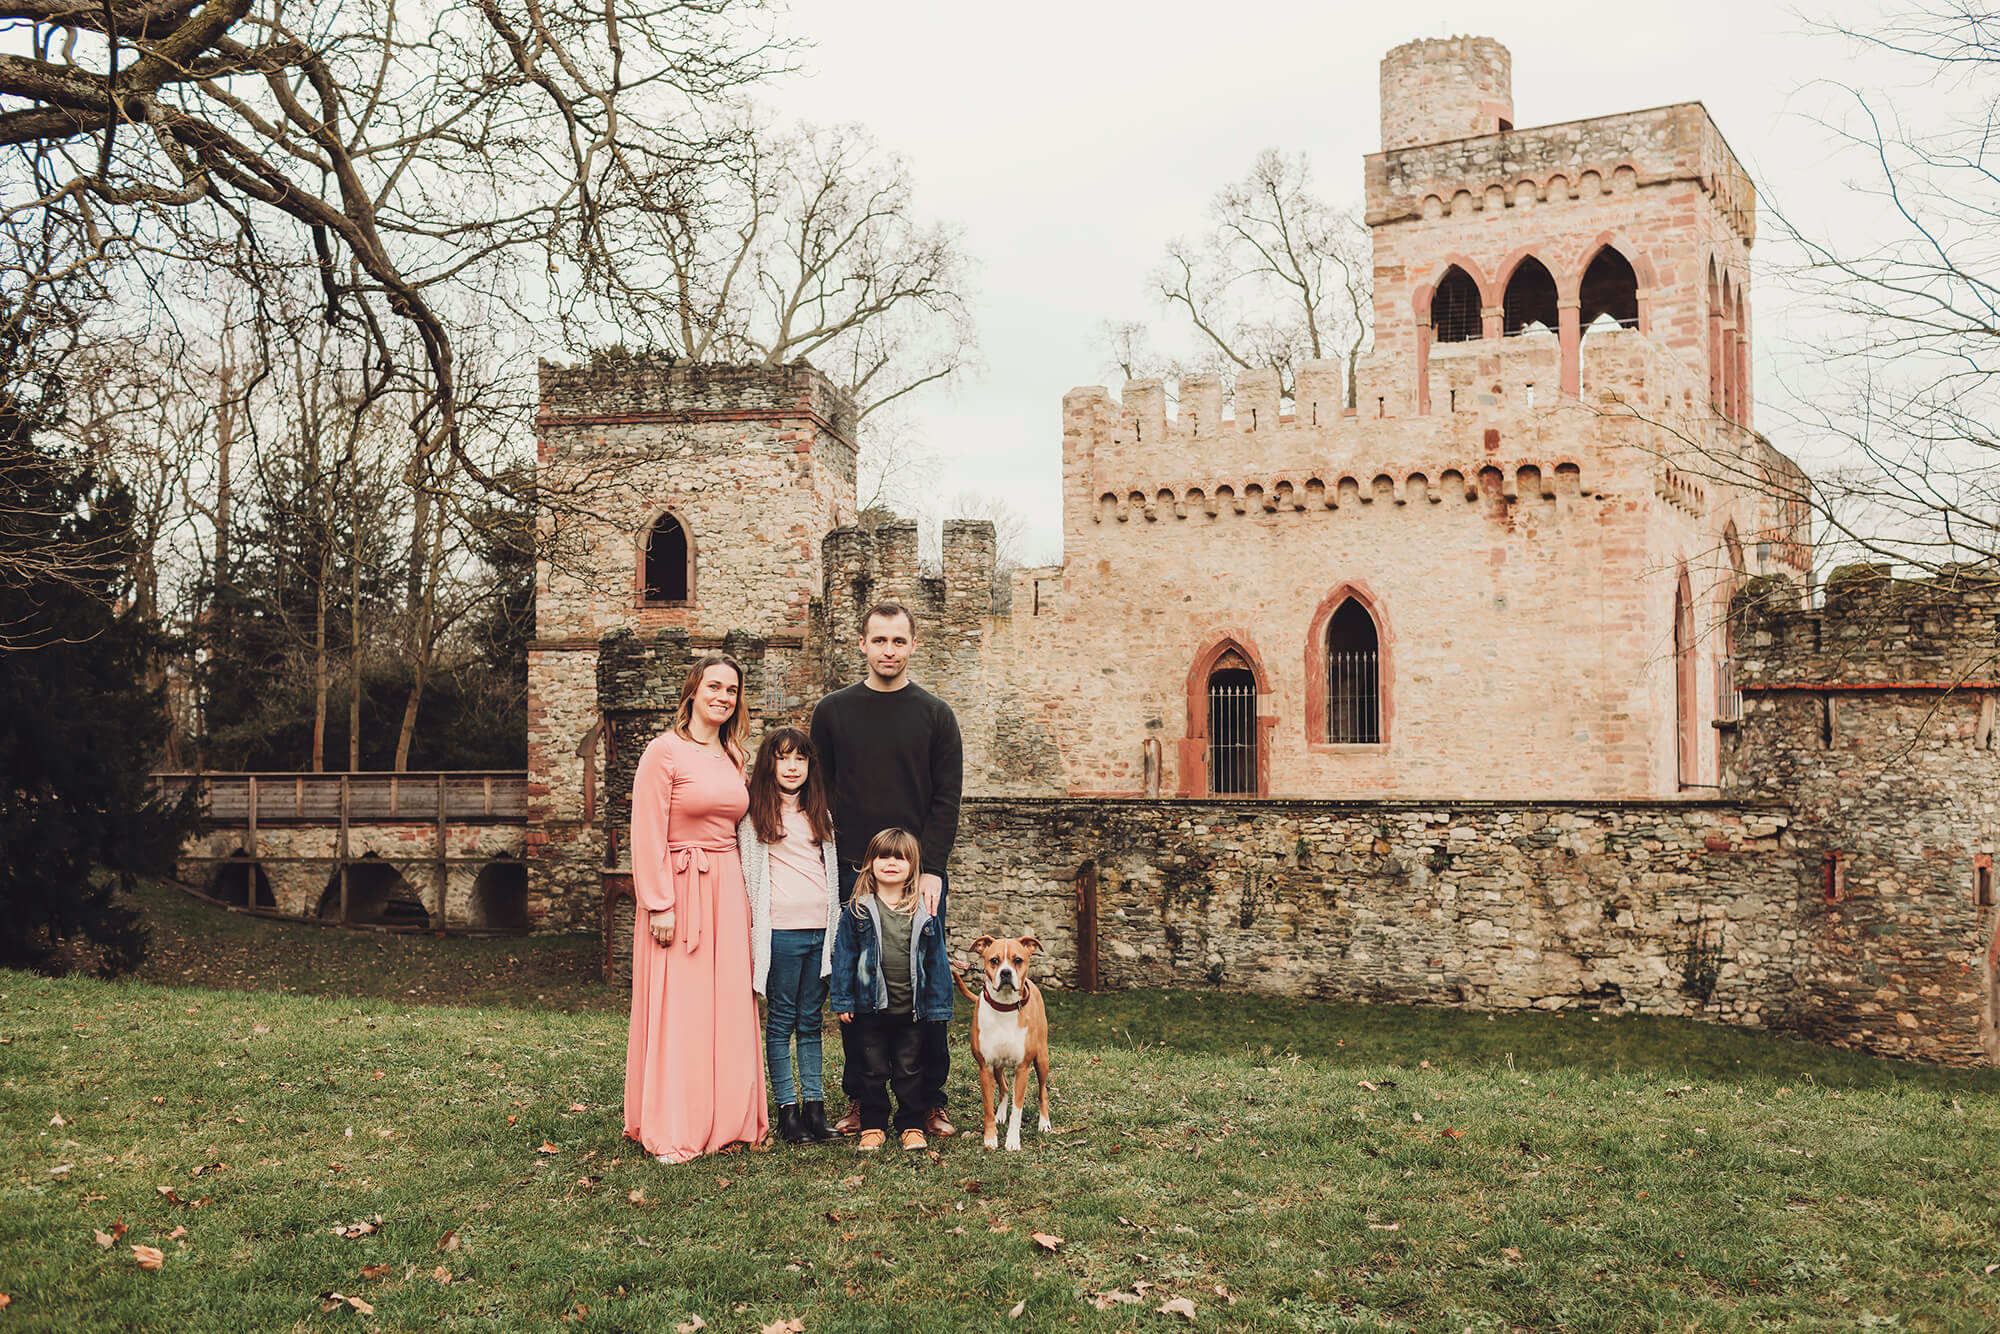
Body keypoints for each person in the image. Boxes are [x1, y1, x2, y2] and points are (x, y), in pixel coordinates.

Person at [810, 600, 963, 1138]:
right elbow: (817, 790)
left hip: (918, 873)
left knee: (927, 989)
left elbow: (946, 800)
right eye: (879, 640)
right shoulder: (832, 712)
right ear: (862, 644)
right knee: (860, 990)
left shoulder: (937, 716)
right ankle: (862, 1100)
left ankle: (929, 1103)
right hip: (854, 870)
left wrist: (933, 869)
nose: (889, 650)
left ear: (913, 645)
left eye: (899, 641)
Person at [623, 652, 767, 1163]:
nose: (723, 697)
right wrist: (659, 903)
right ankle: (675, 1124)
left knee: (727, 1004)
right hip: (679, 890)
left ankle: (729, 1119)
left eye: (732, 690)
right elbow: (646, 831)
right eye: (714, 687)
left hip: (728, 890)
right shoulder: (663, 752)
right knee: (680, 1008)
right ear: (693, 691)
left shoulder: (735, 757)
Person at [738, 726, 841, 1146]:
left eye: (800, 758)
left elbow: (829, 873)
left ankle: (815, 1110)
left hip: (820, 930)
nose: (793, 766)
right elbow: (748, 876)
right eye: (783, 758)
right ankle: (788, 1113)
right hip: (780, 931)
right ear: (770, 764)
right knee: (781, 1022)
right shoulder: (755, 816)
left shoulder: (820, 813)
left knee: (812, 1021)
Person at [828, 828, 953, 1151]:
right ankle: (872, 1124)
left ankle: (911, 1124)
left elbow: (937, 961)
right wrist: (843, 998)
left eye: (900, 857)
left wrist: (938, 1007)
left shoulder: (925, 912)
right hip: (870, 1009)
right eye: (884, 856)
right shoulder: (857, 910)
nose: (892, 863)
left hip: (911, 1010)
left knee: (910, 1069)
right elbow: (844, 958)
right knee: (872, 1070)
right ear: (870, 863)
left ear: (913, 865)